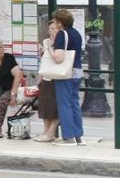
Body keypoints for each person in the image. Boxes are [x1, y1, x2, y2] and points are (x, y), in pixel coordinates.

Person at [45, 9, 84, 146]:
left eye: (56, 21)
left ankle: (68, 137)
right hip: (77, 72)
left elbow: (58, 58)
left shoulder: (62, 34)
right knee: (74, 104)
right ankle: (78, 136)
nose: (55, 23)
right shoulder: (76, 34)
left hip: (65, 74)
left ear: (60, 23)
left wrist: (49, 48)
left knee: (64, 104)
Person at [34, 20, 62, 142]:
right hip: (46, 76)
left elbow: (57, 58)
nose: (51, 32)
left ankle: (51, 132)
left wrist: (50, 47)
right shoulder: (46, 42)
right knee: (45, 106)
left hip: (56, 77)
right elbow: (44, 61)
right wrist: (39, 79)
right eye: (50, 29)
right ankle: (46, 131)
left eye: (54, 29)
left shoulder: (61, 43)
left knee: (54, 107)